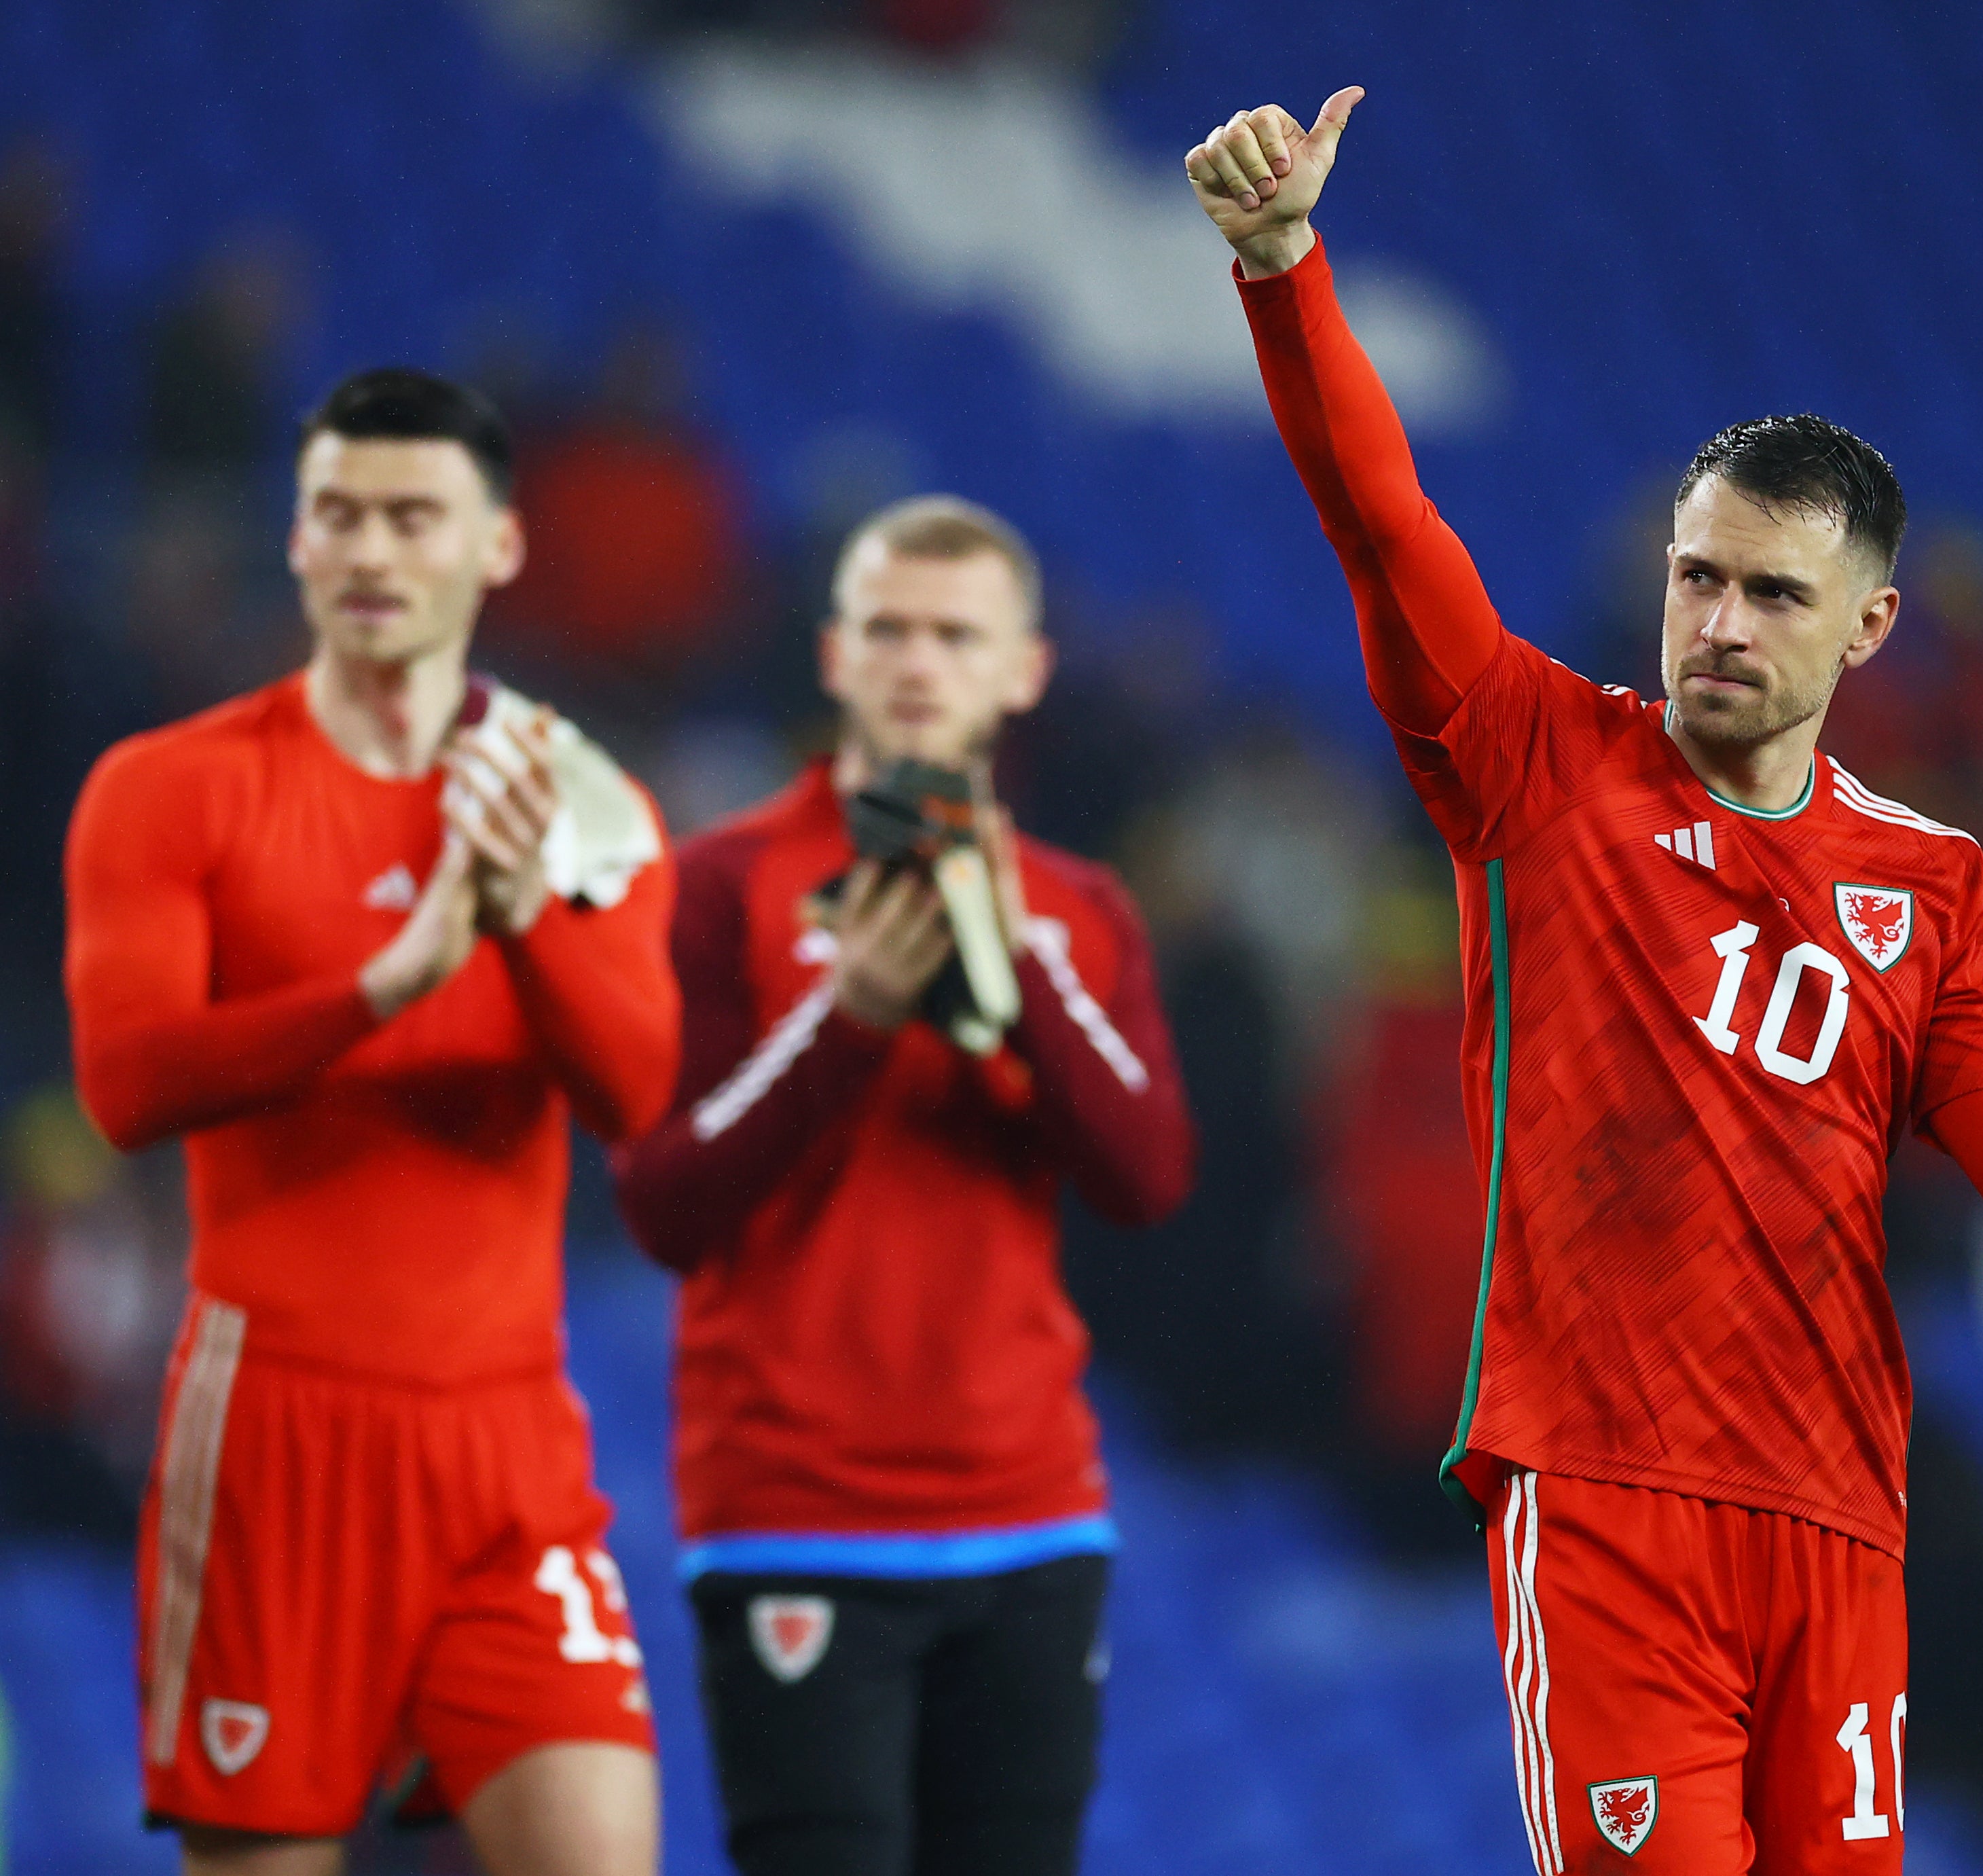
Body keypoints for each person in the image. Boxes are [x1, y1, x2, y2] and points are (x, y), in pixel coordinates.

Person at [1187, 91, 1983, 1873]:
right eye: (1697, 578)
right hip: (1606, 1499)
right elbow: (1381, 519)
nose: (1722, 624)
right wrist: (1285, 267)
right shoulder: (1534, 762)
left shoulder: (1929, 886)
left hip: (1838, 1522)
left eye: (1770, 590)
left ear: (1869, 626)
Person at [61, 369, 676, 1874]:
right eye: (337, 514)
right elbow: (128, 1084)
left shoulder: (583, 804)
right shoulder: (171, 791)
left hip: (505, 1445)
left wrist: (526, 920)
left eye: (414, 517)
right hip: (274, 1423)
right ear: (295, 541)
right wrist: (385, 985)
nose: (372, 553)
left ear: (499, 547)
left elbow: (639, 1097)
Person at [609, 495, 1194, 1876]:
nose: (918, 662)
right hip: (796, 1507)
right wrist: (849, 1021)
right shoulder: (719, 885)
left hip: (1031, 1510)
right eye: (886, 628)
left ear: (1023, 670)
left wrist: (1018, 953)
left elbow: (1148, 1176)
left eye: (954, 633)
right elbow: (660, 1199)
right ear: (832, 656)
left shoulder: (1080, 909)